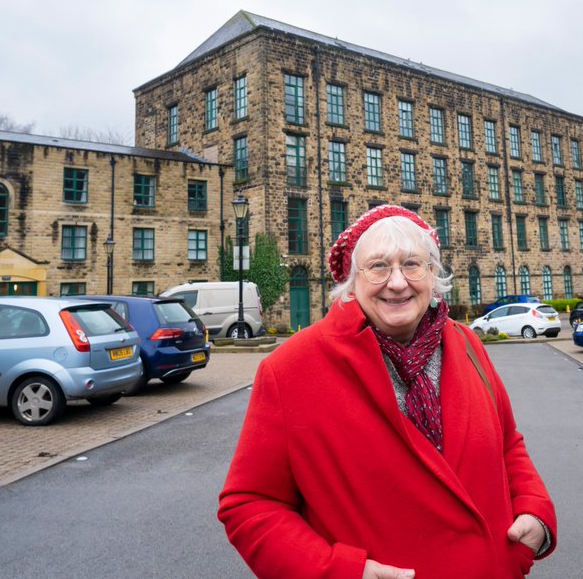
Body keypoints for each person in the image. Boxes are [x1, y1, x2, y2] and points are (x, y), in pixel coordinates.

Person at [219, 204, 556, 579]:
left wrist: (535, 511)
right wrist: (340, 572)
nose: (397, 282)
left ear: (432, 275)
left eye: (412, 264)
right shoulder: (291, 369)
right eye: (379, 266)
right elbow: (250, 504)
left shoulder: (466, 343)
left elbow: (507, 442)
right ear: (352, 281)